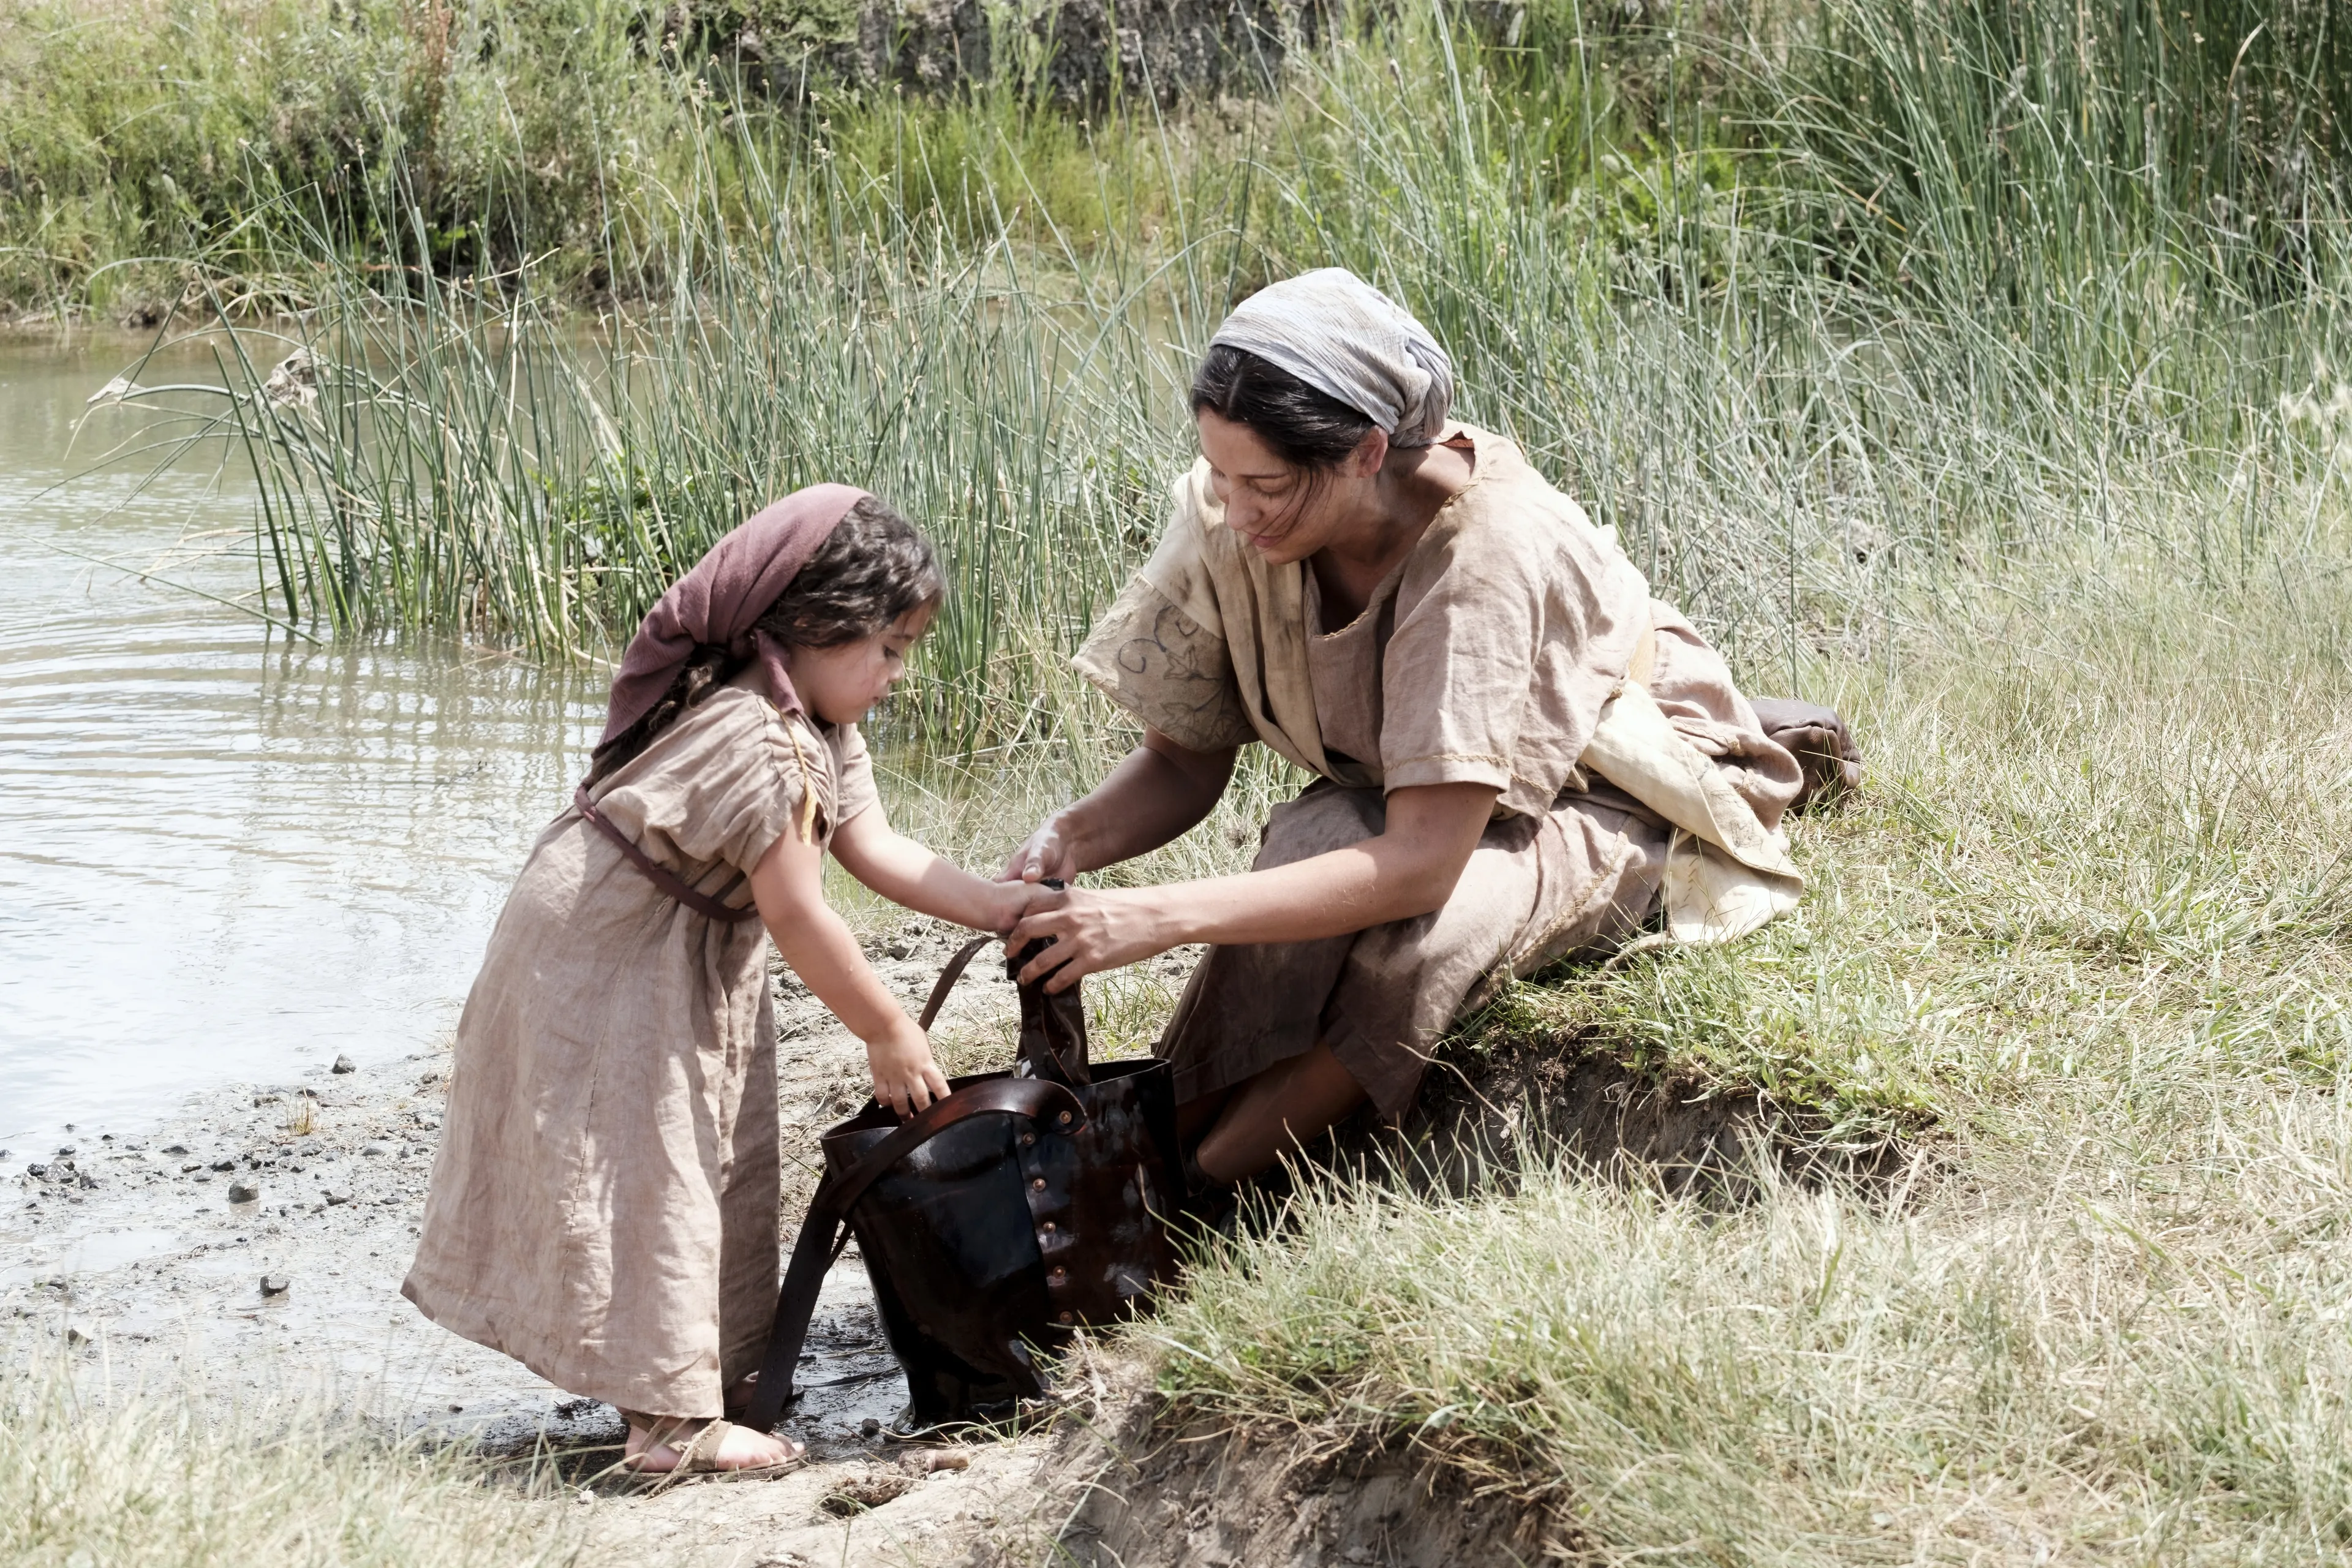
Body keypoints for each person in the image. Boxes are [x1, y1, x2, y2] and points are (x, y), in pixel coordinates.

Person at [1001, 269, 1809, 1194]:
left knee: (1424, 942)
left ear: (1365, 451)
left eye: (1264, 486)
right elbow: (1183, 765)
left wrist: (1149, 918)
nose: (1235, 510)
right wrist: (1072, 839)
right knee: (1305, 849)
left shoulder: (1483, 549)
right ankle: (1122, 1161)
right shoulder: (1235, 507)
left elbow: (1426, 861)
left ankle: (1192, 1196)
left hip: (1604, 781)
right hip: (1402, 788)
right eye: (1218, 475)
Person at [403, 486, 1033, 1476]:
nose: (899, 675)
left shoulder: (811, 715)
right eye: (890, 649)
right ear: (816, 627)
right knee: (655, 1159)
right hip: (605, 943)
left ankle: (688, 1381)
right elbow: (798, 911)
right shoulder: (767, 740)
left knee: (706, 1146)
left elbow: (873, 846)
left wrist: (1000, 907)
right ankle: (668, 1427)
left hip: (664, 934)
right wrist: (885, 1026)